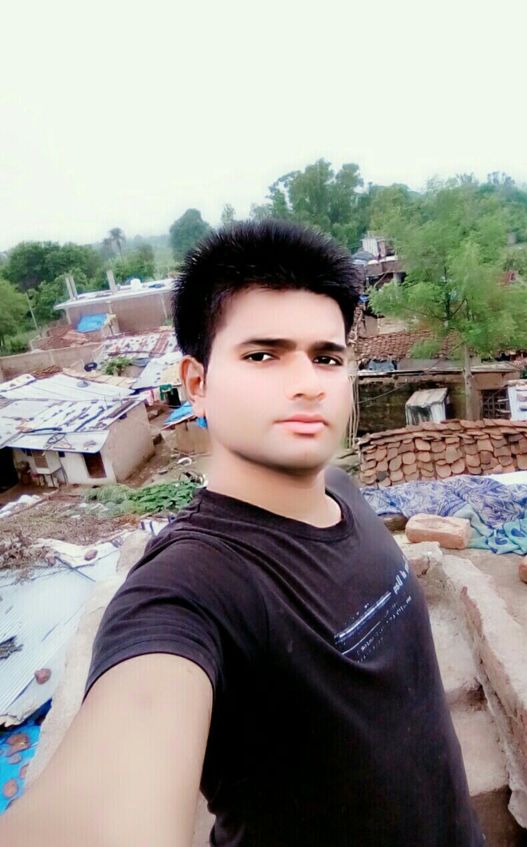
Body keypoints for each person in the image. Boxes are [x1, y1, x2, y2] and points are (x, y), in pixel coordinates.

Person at [0, 220, 483, 846]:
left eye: (326, 357)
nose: (308, 382)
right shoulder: (189, 589)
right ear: (197, 384)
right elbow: (124, 757)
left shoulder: (342, 491)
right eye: (262, 355)